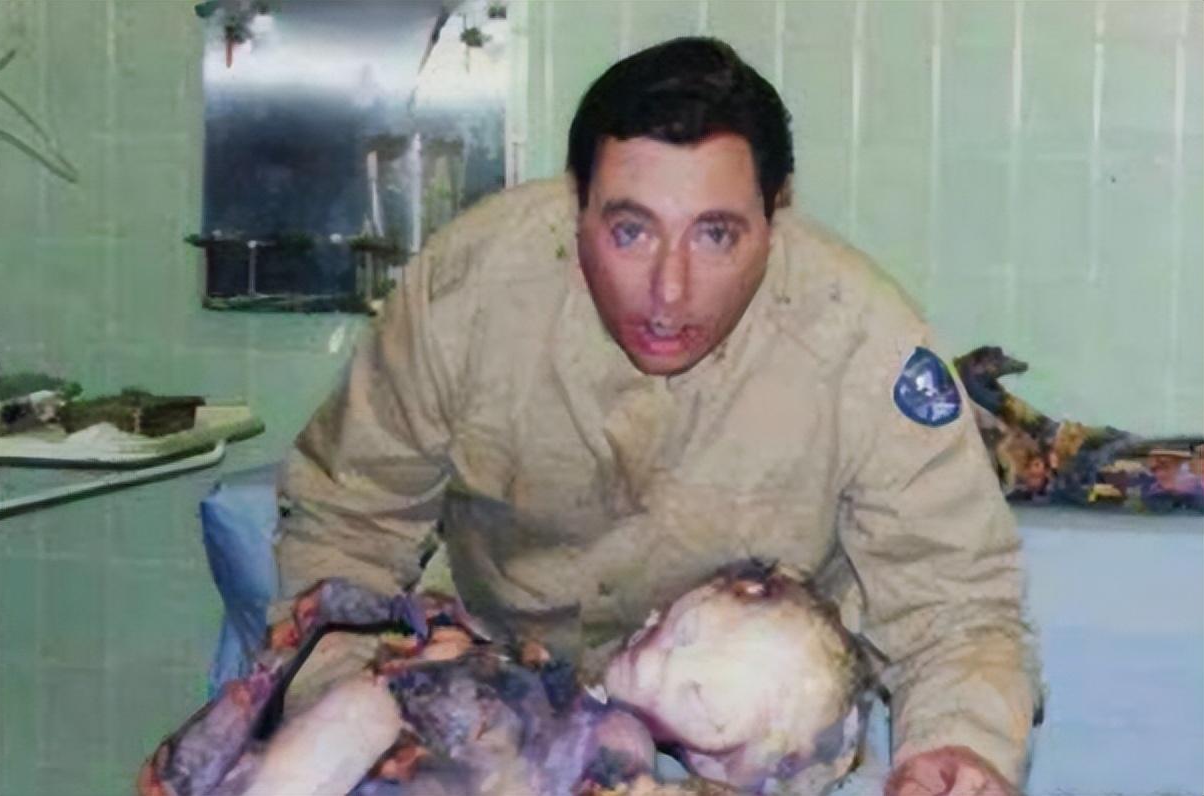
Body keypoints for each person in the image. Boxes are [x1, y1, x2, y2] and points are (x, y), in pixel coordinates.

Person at [274, 37, 1041, 794]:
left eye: (716, 235)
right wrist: (356, 709)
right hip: (493, 703)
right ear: (576, 203)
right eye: (631, 231)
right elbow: (349, 525)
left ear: (776, 214)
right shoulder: (466, 295)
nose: (669, 293)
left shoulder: (863, 345)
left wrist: (958, 750)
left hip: (744, 753)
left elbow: (955, 601)